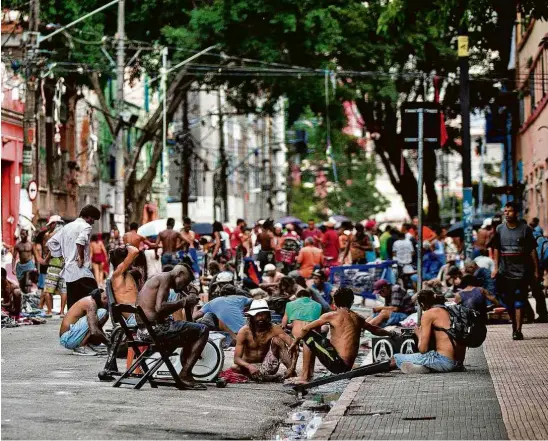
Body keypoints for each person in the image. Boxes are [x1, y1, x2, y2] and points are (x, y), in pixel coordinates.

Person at [290, 287, 397, 377]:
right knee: (316, 337)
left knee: (307, 335)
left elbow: (304, 329)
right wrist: (391, 334)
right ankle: (308, 374)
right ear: (352, 302)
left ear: (334, 302)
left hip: (337, 364)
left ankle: (304, 377)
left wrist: (294, 343)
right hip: (347, 365)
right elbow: (375, 329)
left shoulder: (332, 315)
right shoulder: (357, 317)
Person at [136, 264, 208, 389]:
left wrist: (185, 303)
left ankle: (186, 373)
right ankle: (185, 374)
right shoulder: (166, 278)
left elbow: (159, 312)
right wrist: (184, 301)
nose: (183, 286)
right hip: (154, 330)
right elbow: (160, 307)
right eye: (184, 282)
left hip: (144, 330)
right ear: (179, 274)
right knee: (203, 329)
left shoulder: (158, 278)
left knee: (193, 332)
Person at [491, 201, 539, 340]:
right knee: (509, 302)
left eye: (510, 211)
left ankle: (517, 330)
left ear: (516, 213)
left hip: (523, 272)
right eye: (505, 211)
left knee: (520, 300)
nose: (507, 213)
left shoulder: (525, 229)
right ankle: (514, 325)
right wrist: (495, 268)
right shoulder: (500, 229)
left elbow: (532, 251)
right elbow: (497, 249)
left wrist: (536, 271)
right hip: (505, 272)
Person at [391, 289, 459, 374]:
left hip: (443, 361)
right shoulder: (448, 310)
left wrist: (419, 335)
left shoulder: (429, 314)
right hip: (456, 362)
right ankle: (425, 367)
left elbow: (423, 349)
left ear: (422, 304)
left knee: (396, 358)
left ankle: (426, 367)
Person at [47, 205, 101, 309]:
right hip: (81, 272)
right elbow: (80, 241)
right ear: (88, 217)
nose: (93, 222)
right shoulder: (86, 227)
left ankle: (74, 325)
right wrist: (80, 258)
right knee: (95, 299)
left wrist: (63, 256)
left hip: (69, 272)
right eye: (93, 219)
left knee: (73, 305)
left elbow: (51, 242)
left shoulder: (67, 227)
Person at [232, 299, 298, 381]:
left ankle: (291, 373)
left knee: (277, 340)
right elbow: (236, 359)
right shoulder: (244, 332)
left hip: (268, 365)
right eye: (257, 315)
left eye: (263, 314)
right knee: (234, 368)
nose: (260, 318)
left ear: (268, 316)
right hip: (249, 367)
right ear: (252, 317)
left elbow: (294, 345)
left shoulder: (275, 329)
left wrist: (292, 367)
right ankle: (269, 378)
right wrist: (249, 366)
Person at [281, 289, 322, 384]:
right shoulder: (317, 305)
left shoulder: (290, 304)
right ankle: (310, 372)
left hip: (298, 333)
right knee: (311, 342)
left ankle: (304, 376)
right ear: (310, 297)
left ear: (297, 296)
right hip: (312, 333)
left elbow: (283, 324)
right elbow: (317, 325)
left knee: (305, 341)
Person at [59, 288, 109, 356]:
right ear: (105, 298)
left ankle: (88, 344)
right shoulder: (90, 303)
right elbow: (93, 331)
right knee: (102, 313)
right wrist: (109, 343)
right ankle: (82, 346)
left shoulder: (92, 300)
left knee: (97, 318)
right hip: (68, 338)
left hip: (70, 337)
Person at [12, 229, 36, 293]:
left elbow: (36, 257)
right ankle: (24, 298)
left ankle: (29, 296)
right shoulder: (18, 245)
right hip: (21, 266)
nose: (22, 236)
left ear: (27, 235)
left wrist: (37, 268)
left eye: (23, 234)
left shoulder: (31, 244)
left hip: (29, 265)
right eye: (21, 234)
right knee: (22, 286)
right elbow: (14, 257)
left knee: (28, 283)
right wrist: (13, 268)